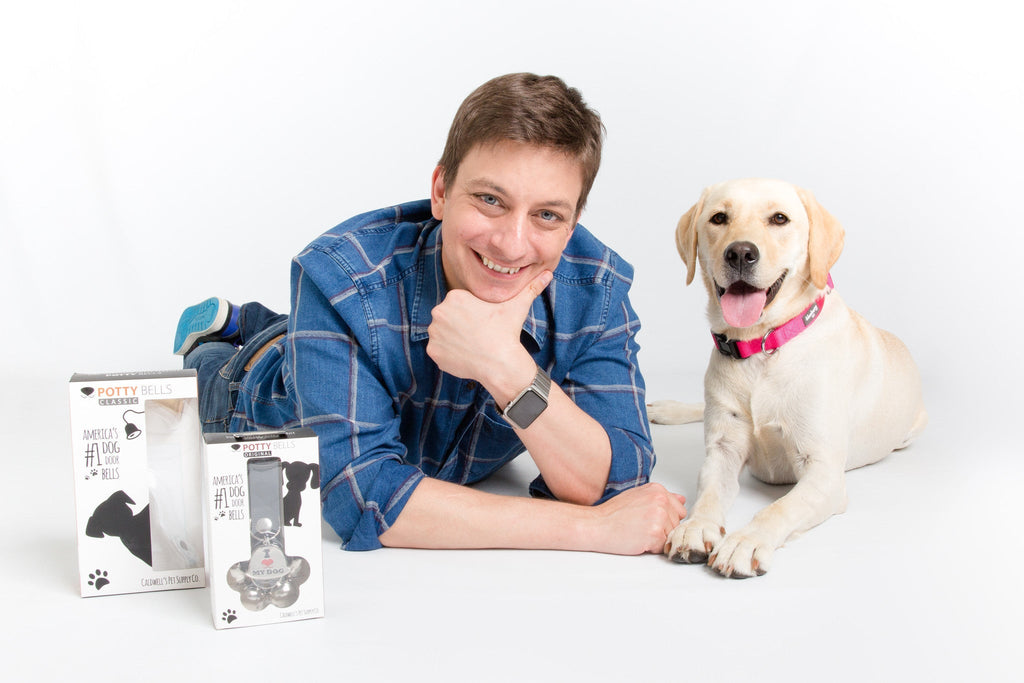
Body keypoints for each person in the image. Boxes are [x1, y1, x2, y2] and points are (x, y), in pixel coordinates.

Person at [175, 73, 687, 554]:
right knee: (214, 375)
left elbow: (618, 472)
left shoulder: (593, 287)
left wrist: (504, 366)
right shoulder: (341, 279)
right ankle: (221, 338)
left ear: (573, 223)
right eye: (490, 200)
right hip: (254, 392)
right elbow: (363, 493)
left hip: (345, 348)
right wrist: (590, 529)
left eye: (547, 215)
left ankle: (261, 320)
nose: (511, 244)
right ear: (441, 191)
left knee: (308, 335)